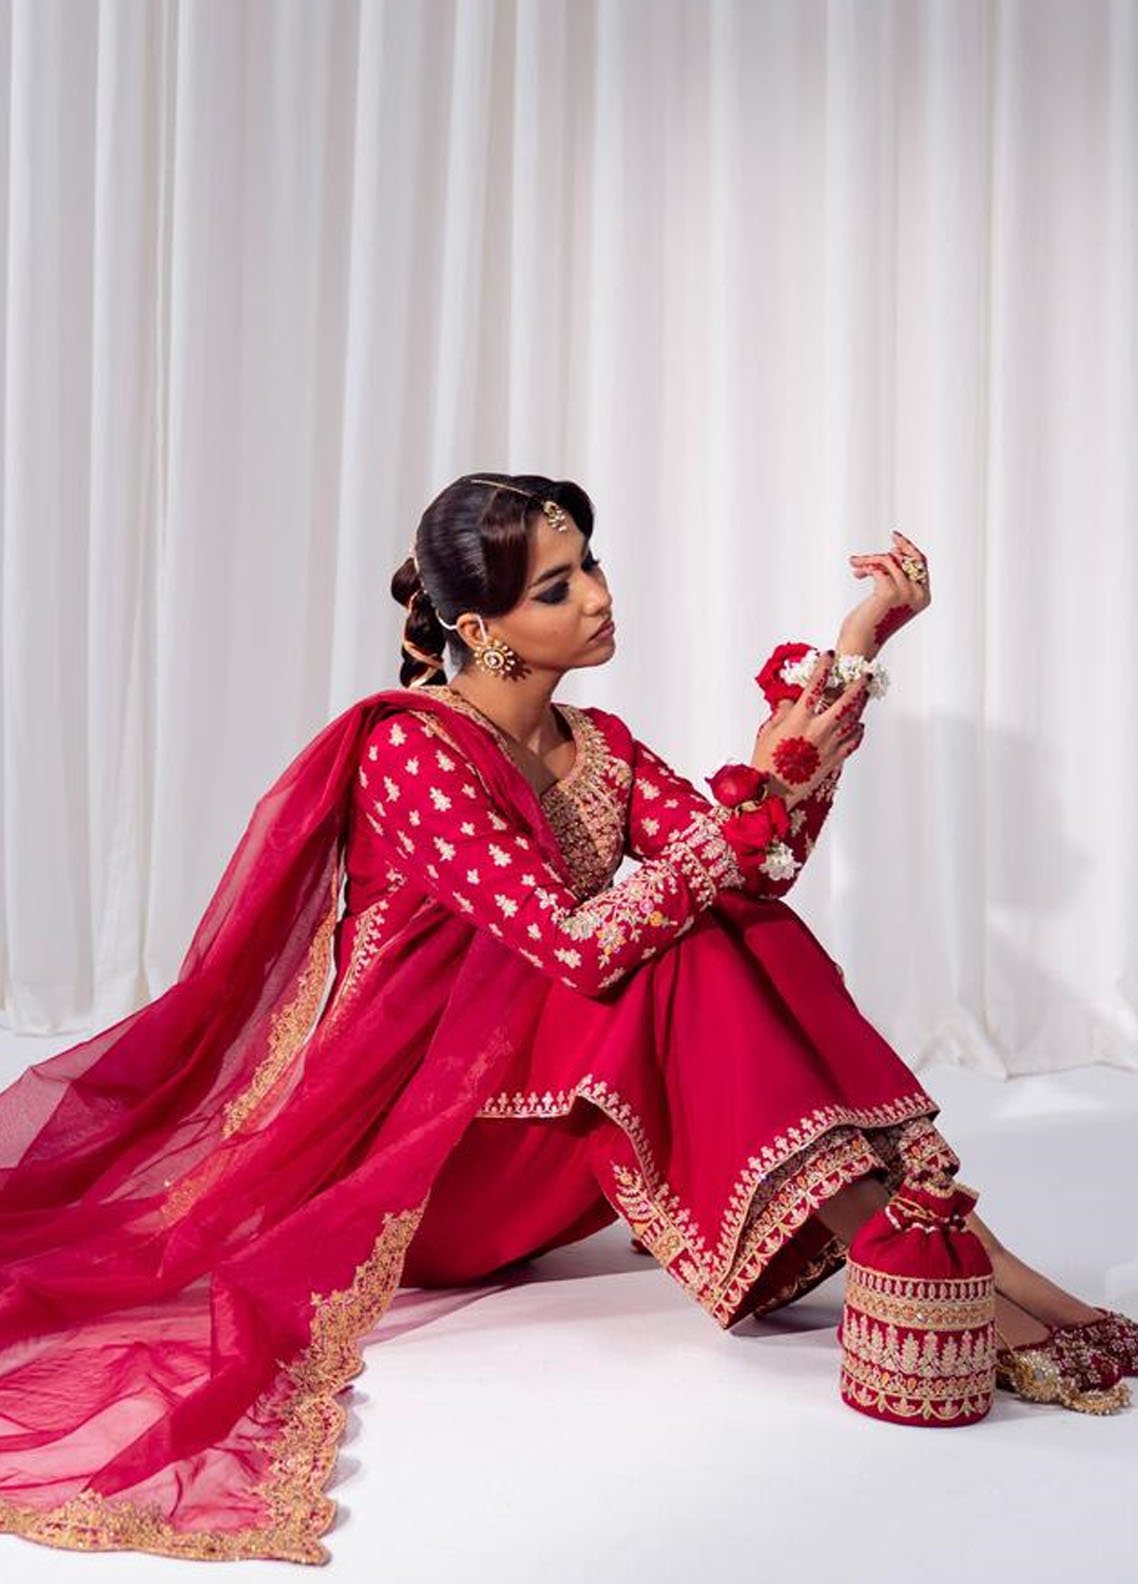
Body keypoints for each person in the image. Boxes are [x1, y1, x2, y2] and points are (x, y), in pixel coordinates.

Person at [0, 473, 1132, 1568]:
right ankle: (928, 1268)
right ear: (478, 628)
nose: (597, 596)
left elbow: (754, 872)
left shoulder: (603, 746)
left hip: (539, 1121)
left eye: (589, 565)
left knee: (734, 929)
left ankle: (978, 1263)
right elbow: (574, 944)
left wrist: (855, 650)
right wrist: (759, 793)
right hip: (426, 1166)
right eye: (556, 587)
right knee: (675, 946)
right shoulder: (409, 751)